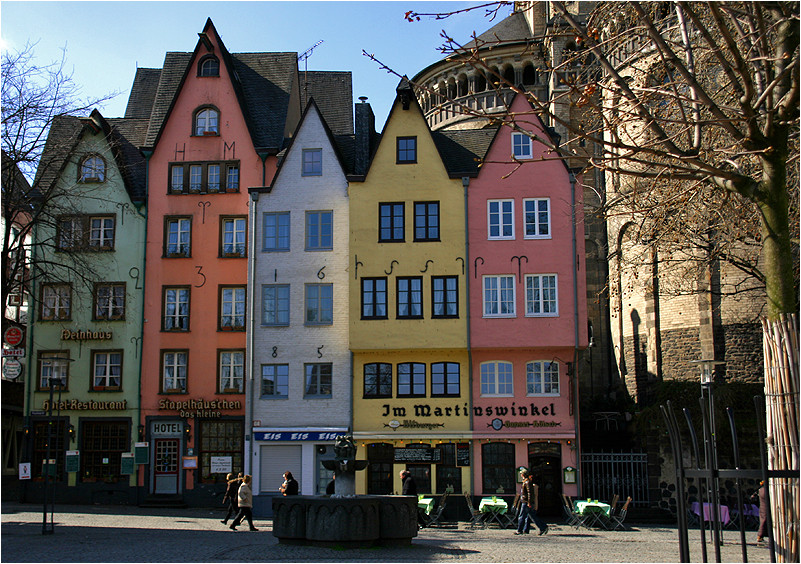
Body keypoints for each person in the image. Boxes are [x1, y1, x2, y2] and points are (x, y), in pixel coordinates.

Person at [515, 469, 548, 536]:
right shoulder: (527, 482)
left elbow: (530, 493)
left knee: (521, 516)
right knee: (532, 516)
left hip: (526, 502)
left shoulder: (527, 482)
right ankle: (543, 527)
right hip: (526, 501)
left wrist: (529, 502)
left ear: (523, 475)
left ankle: (519, 530)